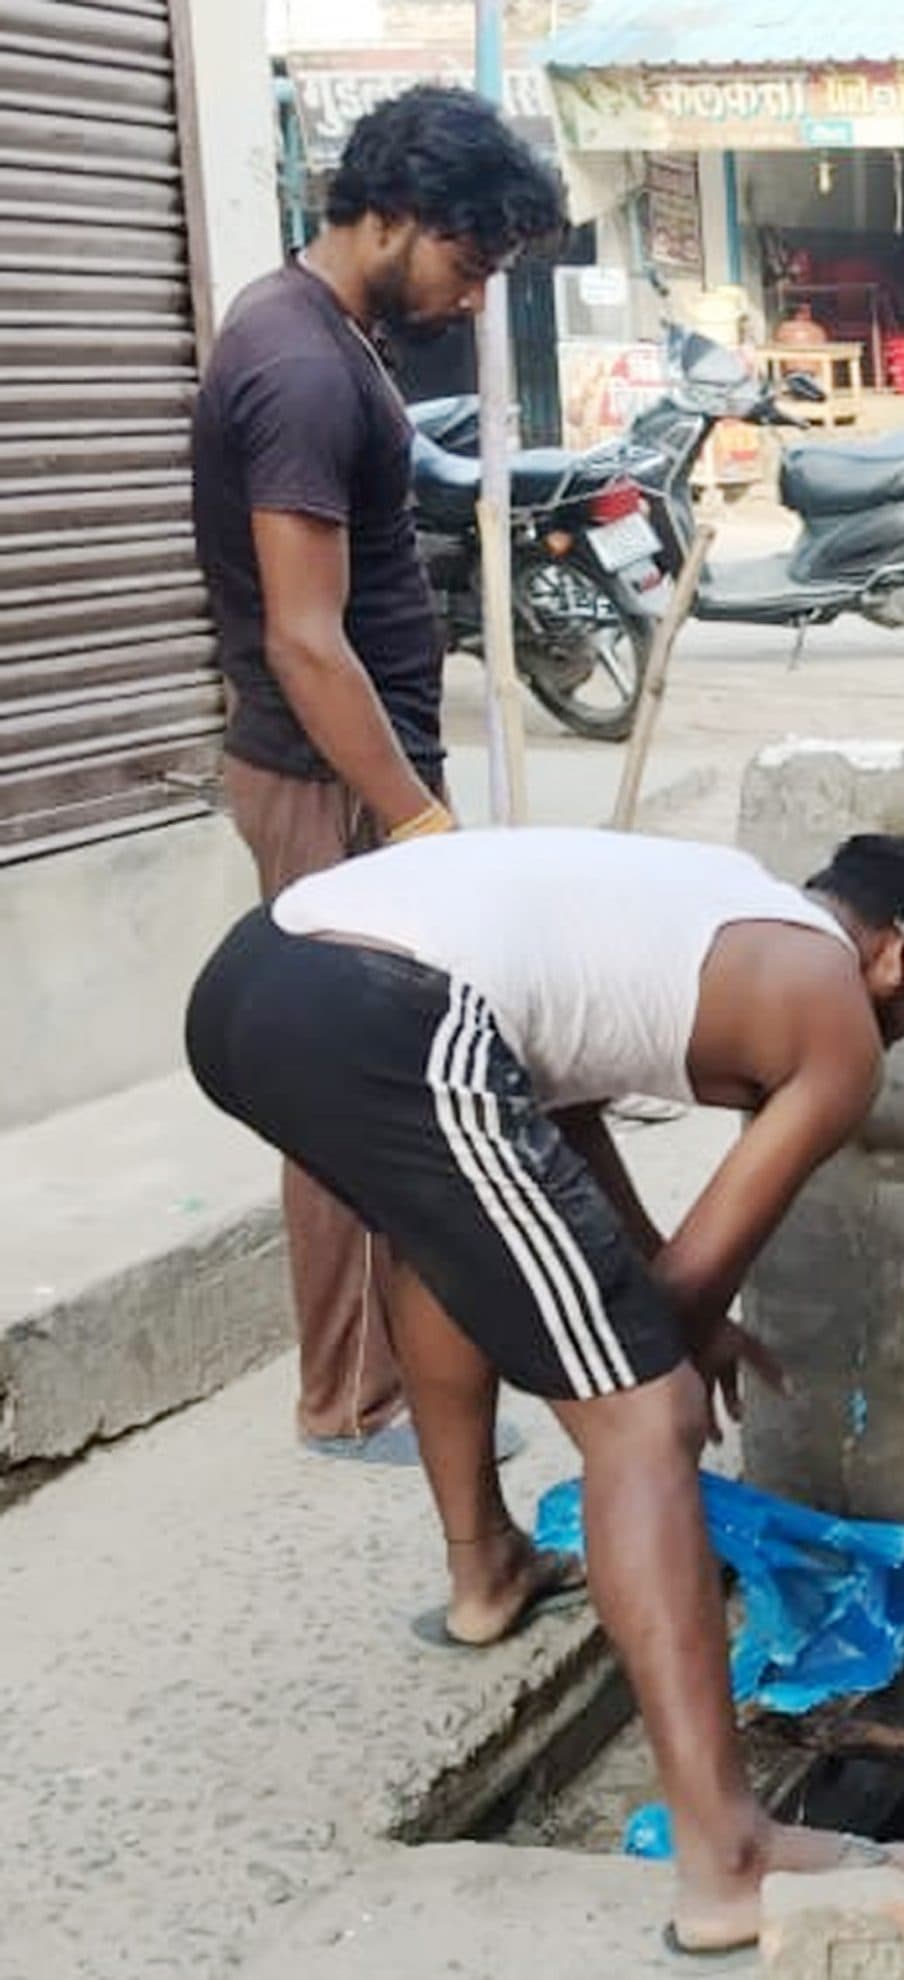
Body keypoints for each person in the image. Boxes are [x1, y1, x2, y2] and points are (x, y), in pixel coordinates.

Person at [184, 827, 904, 1953]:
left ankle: (486, 1573)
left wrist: (650, 1293)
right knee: (647, 1417)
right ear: (896, 959)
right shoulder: (837, 1016)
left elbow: (546, 1140)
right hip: (385, 1010)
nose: (892, 1040)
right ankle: (729, 1861)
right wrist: (674, 1344)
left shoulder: (704, 909)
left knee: (448, 1239)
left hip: (256, 983)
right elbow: (683, 1297)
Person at [189, 85, 565, 1460]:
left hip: (360, 770)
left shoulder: (326, 334)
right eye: (468, 259)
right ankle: (352, 1397)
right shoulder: (295, 363)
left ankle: (391, 1373)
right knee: (349, 1085)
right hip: (331, 779)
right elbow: (304, 636)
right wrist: (409, 816)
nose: (474, 295)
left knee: (384, 1075)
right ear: (395, 214)